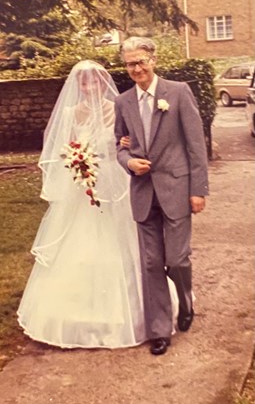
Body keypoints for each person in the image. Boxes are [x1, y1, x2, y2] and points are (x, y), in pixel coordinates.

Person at [17, 60, 178, 349]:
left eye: (94, 81)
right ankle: (79, 315)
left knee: (126, 244)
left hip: (117, 184)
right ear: (78, 86)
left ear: (102, 82)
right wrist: (77, 163)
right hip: (84, 188)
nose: (89, 87)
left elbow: (130, 143)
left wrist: (126, 145)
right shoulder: (70, 113)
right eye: (84, 82)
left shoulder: (118, 106)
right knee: (81, 244)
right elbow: (63, 148)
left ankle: (139, 313)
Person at [114, 37, 209, 355]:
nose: (136, 68)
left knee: (176, 259)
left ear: (153, 60)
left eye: (141, 61)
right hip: (142, 193)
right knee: (152, 263)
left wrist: (198, 190)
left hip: (177, 189)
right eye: (130, 64)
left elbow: (196, 146)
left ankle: (185, 299)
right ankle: (159, 330)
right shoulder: (123, 102)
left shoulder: (178, 92)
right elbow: (119, 144)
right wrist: (129, 162)